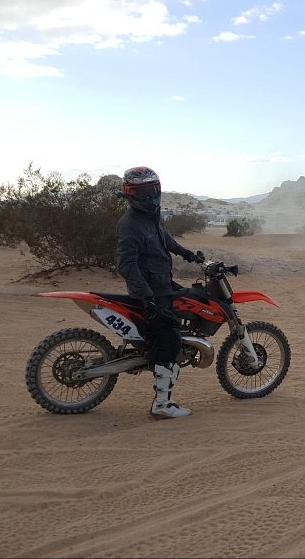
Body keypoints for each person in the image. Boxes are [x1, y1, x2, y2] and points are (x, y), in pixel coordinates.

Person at [116, 166, 205, 419]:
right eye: (141, 192)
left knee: (190, 301)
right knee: (170, 340)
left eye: (151, 190)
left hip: (163, 286)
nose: (148, 196)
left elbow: (166, 240)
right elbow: (126, 265)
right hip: (150, 292)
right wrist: (146, 298)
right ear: (129, 193)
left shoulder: (152, 217)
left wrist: (188, 255)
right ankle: (162, 404)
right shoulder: (130, 224)